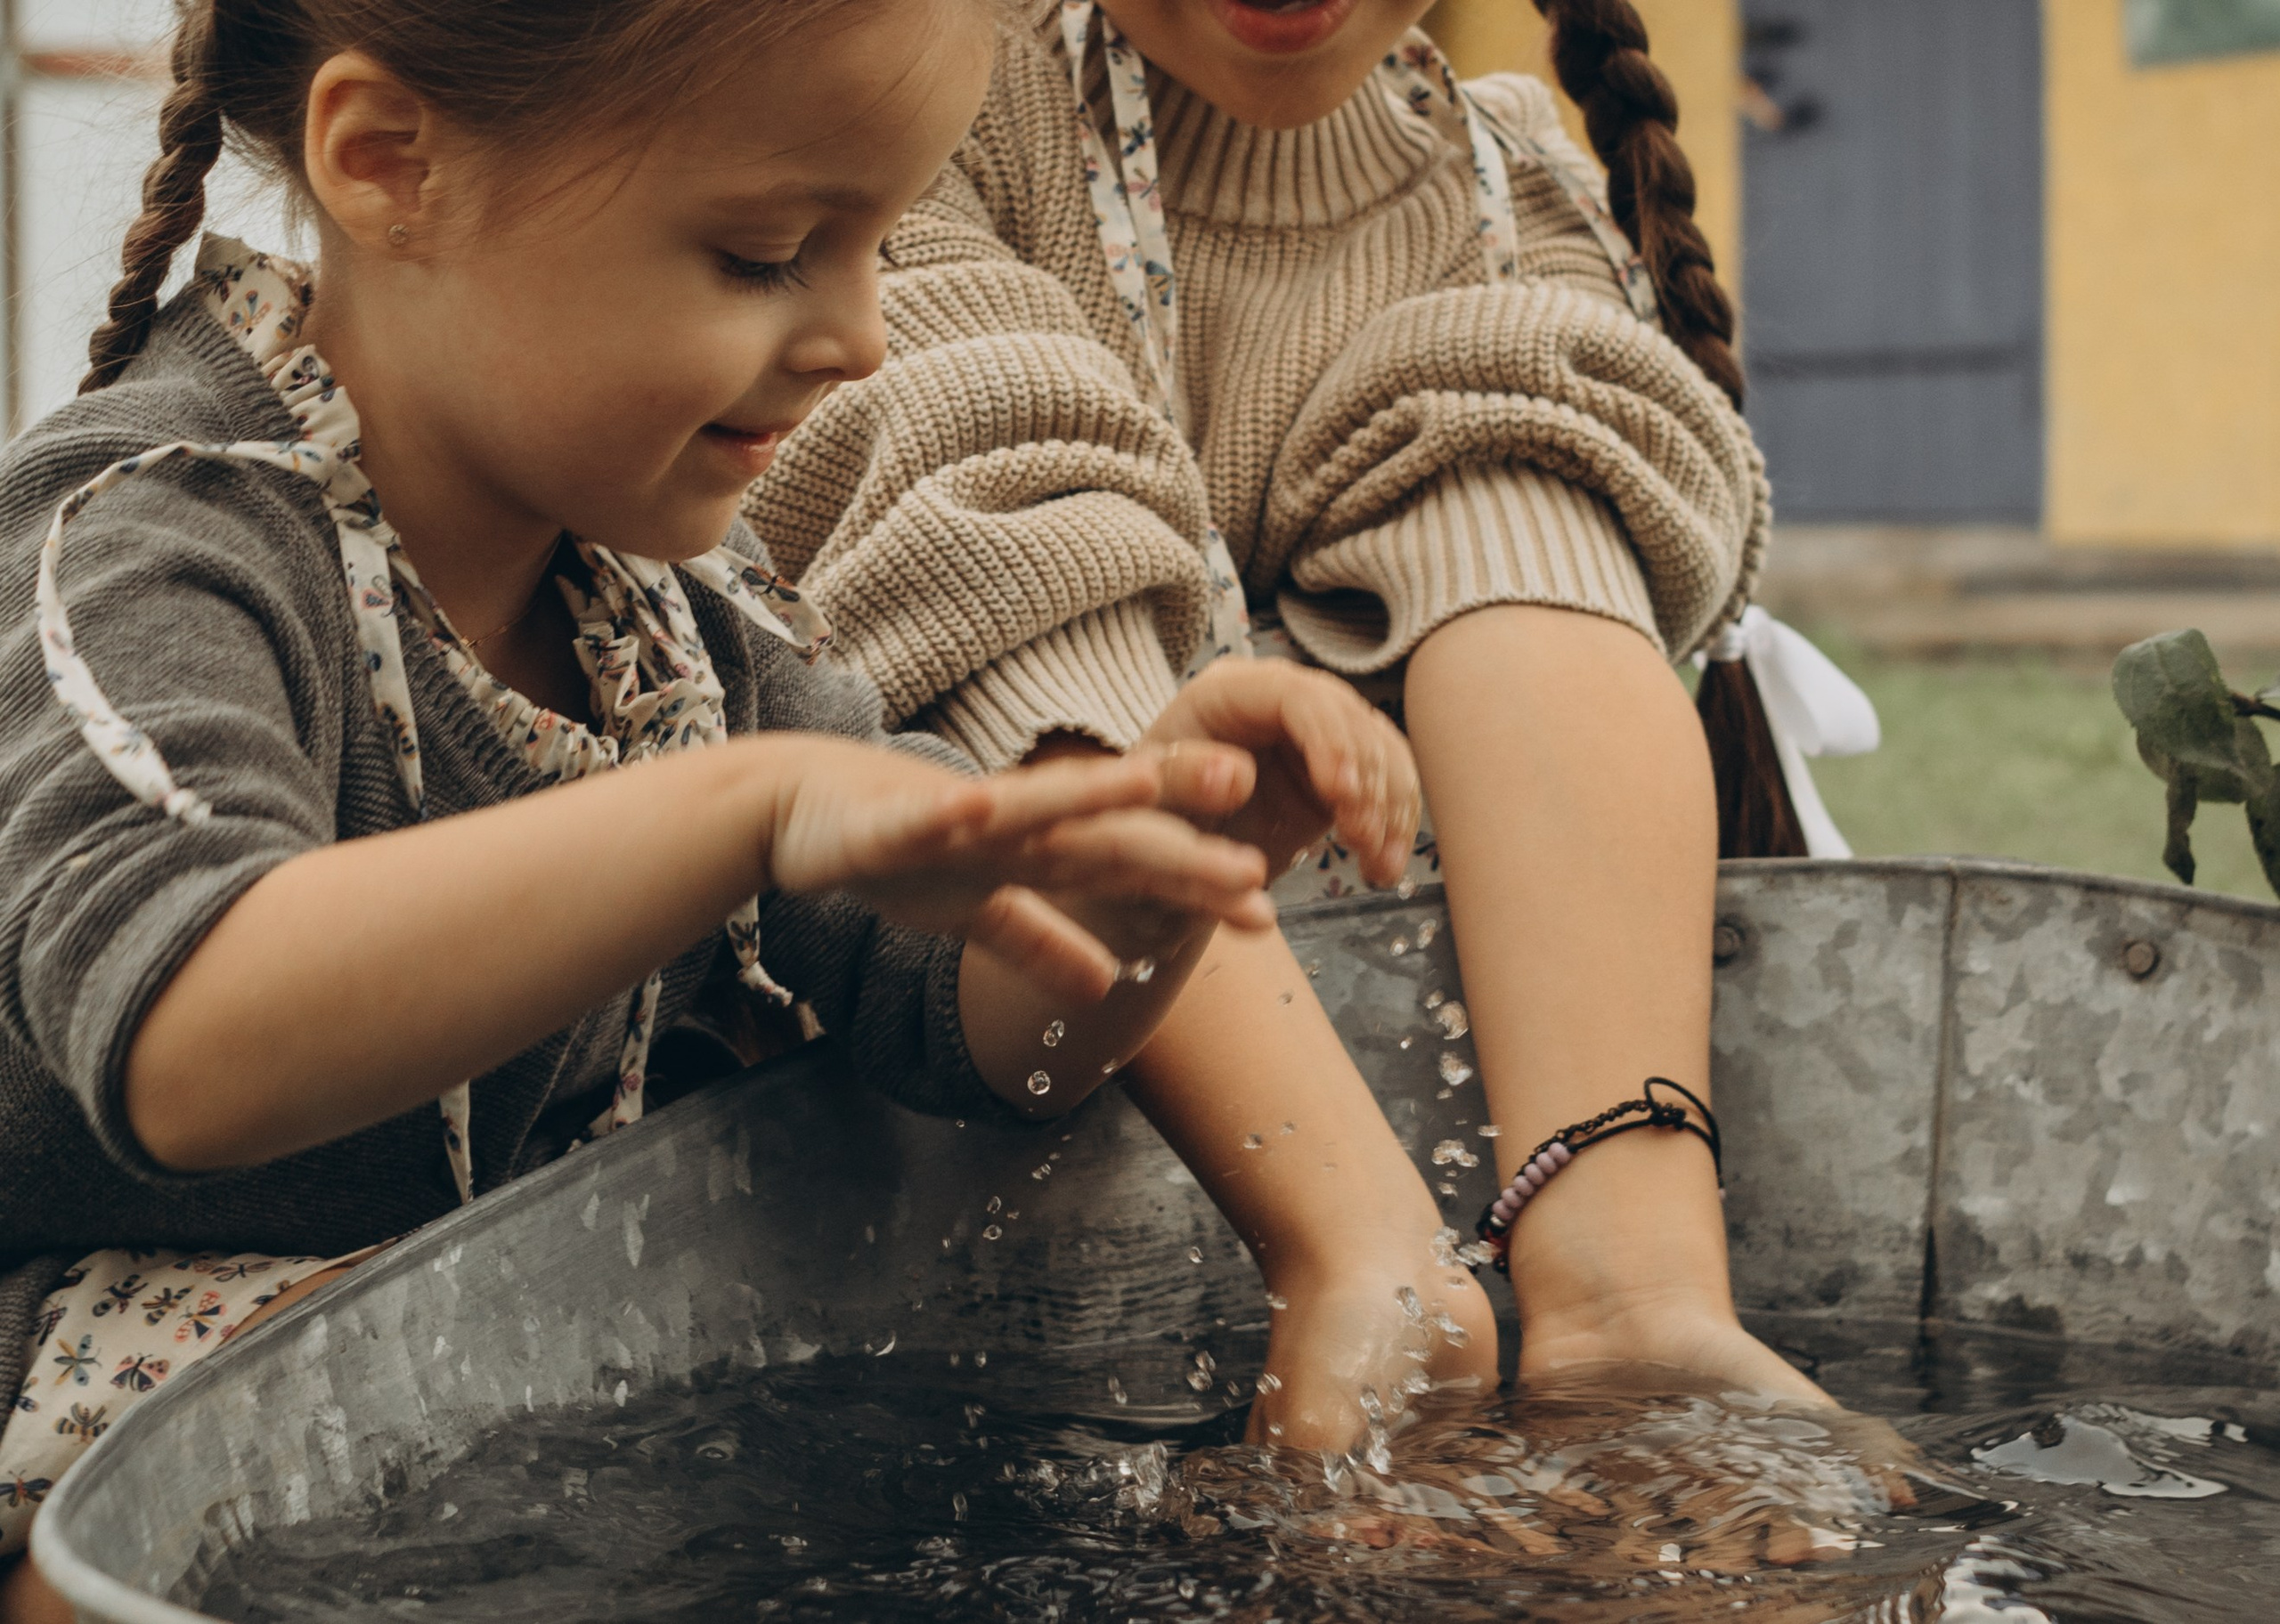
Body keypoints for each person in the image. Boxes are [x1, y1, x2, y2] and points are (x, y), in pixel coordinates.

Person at [0, 0, 1493, 1612]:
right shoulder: (153, 540)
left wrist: (1142, 897)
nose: (859, 336)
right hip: (97, 1448)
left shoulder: (660, 613)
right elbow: (186, 1047)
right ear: (390, 165)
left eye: (878, 244)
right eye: (765, 253)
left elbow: (976, 1038)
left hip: (463, 1419)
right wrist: (739, 811)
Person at [745, 0, 1835, 1419]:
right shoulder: (913, 95)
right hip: (952, 1124)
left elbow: (1538, 596)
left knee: (1521, 472)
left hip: (1325, 1111)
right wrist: (1369, 1257)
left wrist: (1639, 1304)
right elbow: (995, 559)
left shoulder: (1507, 193)